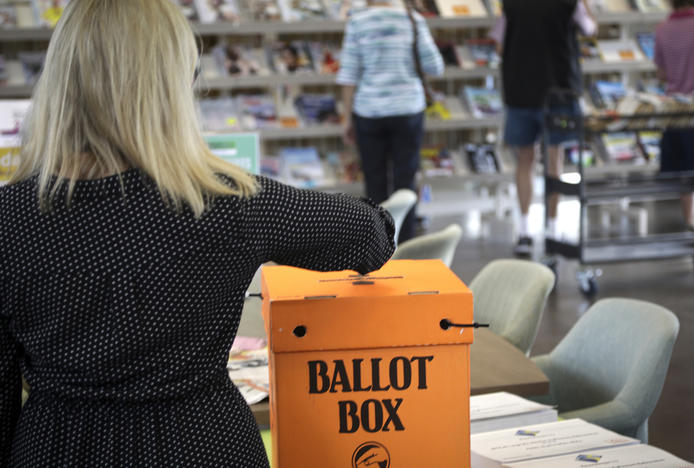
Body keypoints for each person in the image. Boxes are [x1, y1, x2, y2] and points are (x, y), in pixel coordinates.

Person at [0, 1, 395, 466]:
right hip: (204, 443)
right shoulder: (231, 203)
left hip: (57, 448)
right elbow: (373, 236)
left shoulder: (10, 218)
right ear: (175, 87)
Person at [492, 0, 597, 257]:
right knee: (554, 159)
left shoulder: (511, 4)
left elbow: (498, 43)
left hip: (520, 90)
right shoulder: (570, 3)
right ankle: (552, 228)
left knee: (524, 160)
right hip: (558, 92)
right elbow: (590, 29)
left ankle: (525, 231)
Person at [337, 0, 444, 243]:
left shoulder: (357, 21)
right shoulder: (413, 20)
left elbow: (349, 75)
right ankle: (404, 244)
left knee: (374, 182)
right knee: (406, 181)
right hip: (408, 110)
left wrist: (346, 119)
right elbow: (435, 67)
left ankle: (378, 246)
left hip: (369, 111)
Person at [654, 0, 694, 230]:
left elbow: (662, 74)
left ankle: (691, 223)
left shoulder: (662, 29)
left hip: (674, 114)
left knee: (685, 178)